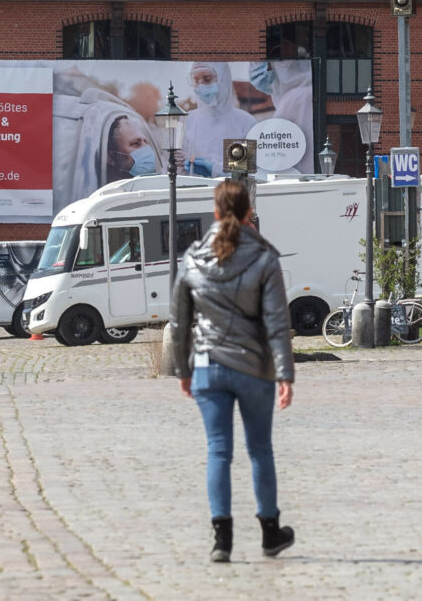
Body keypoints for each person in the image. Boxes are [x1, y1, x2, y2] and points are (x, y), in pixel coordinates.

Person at [167, 178, 296, 563]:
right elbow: (276, 321)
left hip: (207, 366)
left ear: (216, 212)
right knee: (260, 451)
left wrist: (183, 370)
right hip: (253, 367)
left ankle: (221, 540)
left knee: (217, 452)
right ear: (248, 214)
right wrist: (285, 375)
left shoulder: (192, 257)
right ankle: (270, 534)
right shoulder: (264, 259)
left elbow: (178, 322)